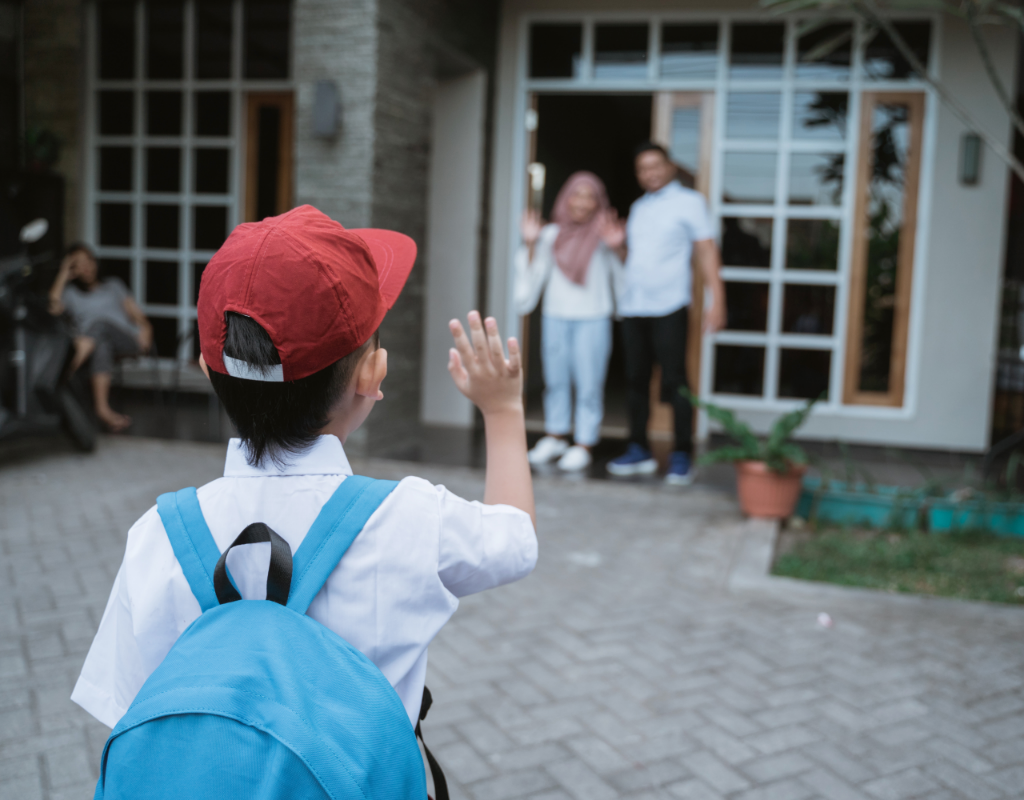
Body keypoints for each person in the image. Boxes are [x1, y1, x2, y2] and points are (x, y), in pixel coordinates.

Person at [71, 206, 538, 746]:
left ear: (205, 366)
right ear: (373, 374)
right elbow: (516, 538)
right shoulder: (411, 518)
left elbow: (127, 713)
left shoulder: (157, 535)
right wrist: (503, 413)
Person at [606, 143, 726, 485]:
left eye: (655, 166)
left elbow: (706, 251)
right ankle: (639, 449)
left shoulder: (690, 202)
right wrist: (617, 246)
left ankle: (682, 455)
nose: (650, 173)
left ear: (670, 166)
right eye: (643, 169)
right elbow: (636, 260)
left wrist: (717, 300)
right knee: (635, 381)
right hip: (634, 306)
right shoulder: (639, 207)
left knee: (675, 381)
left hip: (670, 306)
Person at [515, 171, 625, 472]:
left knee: (589, 383)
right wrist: (531, 244)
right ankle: (555, 436)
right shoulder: (550, 235)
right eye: (577, 194)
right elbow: (530, 279)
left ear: (598, 202)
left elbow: (624, 279)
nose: (582, 202)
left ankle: (584, 443)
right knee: (556, 381)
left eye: (590, 196)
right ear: (566, 197)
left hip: (593, 317)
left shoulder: (604, 235)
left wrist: (617, 246)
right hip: (556, 315)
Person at [48, 243, 154, 432]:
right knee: (101, 342)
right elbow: (52, 309)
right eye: (78, 263)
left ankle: (61, 374)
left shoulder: (113, 285)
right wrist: (63, 273)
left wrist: (146, 328)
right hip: (96, 344)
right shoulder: (71, 294)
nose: (86, 266)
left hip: (127, 340)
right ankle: (103, 410)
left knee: (100, 325)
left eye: (89, 259)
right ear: (72, 270)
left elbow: (138, 316)